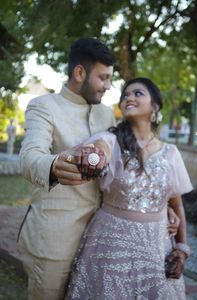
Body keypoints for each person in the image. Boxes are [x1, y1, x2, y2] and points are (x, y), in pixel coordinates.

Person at [64, 77, 193, 299]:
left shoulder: (171, 153)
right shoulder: (111, 140)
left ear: (155, 107)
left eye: (138, 93)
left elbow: (176, 204)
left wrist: (181, 249)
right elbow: (99, 150)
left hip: (157, 247)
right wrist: (95, 156)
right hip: (111, 245)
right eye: (125, 95)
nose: (129, 97)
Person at [19, 37, 116, 300]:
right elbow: (30, 157)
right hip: (54, 239)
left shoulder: (106, 114)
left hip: (98, 239)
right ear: (79, 72)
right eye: (103, 78)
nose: (108, 86)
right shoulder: (43, 107)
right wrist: (54, 165)